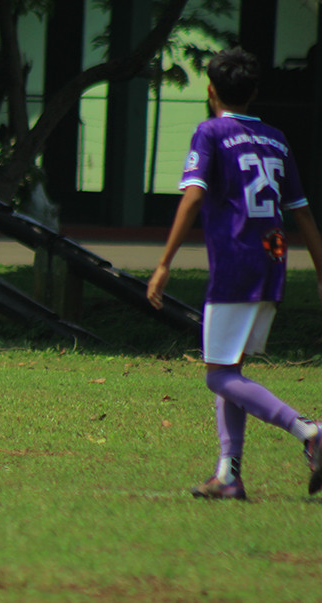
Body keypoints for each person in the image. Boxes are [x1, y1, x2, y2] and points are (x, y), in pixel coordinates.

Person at [147, 47, 322, 501]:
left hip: (236, 265)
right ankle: (229, 475)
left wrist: (164, 263)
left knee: (217, 376)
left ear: (210, 91)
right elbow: (302, 214)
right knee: (231, 369)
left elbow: (192, 197)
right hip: (273, 262)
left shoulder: (211, 132)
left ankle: (309, 431)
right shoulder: (277, 139)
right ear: (255, 92)